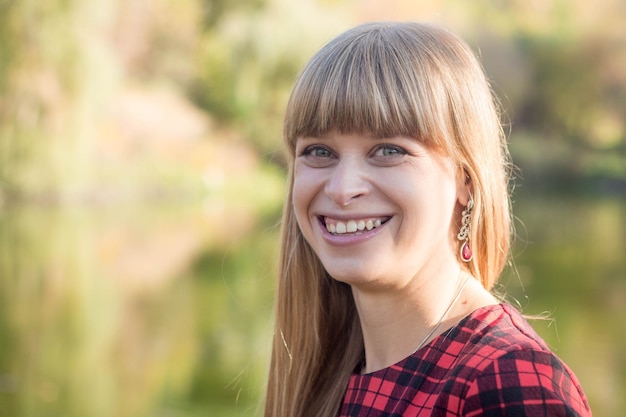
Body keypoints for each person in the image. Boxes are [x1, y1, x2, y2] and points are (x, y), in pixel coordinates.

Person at [263, 21, 591, 417]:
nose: (341, 188)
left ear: (466, 180)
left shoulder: (508, 381)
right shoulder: (334, 374)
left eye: (387, 150)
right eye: (319, 152)